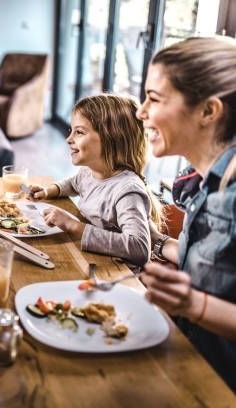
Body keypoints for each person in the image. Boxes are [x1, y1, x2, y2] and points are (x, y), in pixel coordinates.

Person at [136, 36, 236, 389]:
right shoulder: (203, 182)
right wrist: (162, 246)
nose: (140, 112)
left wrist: (194, 304)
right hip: (186, 362)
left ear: (208, 111)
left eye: (154, 98)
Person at [26, 94, 163, 266]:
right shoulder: (89, 172)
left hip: (115, 273)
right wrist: (48, 191)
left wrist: (73, 226)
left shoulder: (127, 191)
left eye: (79, 132)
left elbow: (139, 249)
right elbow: (73, 183)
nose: (69, 139)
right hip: (89, 258)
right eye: (71, 131)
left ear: (111, 138)